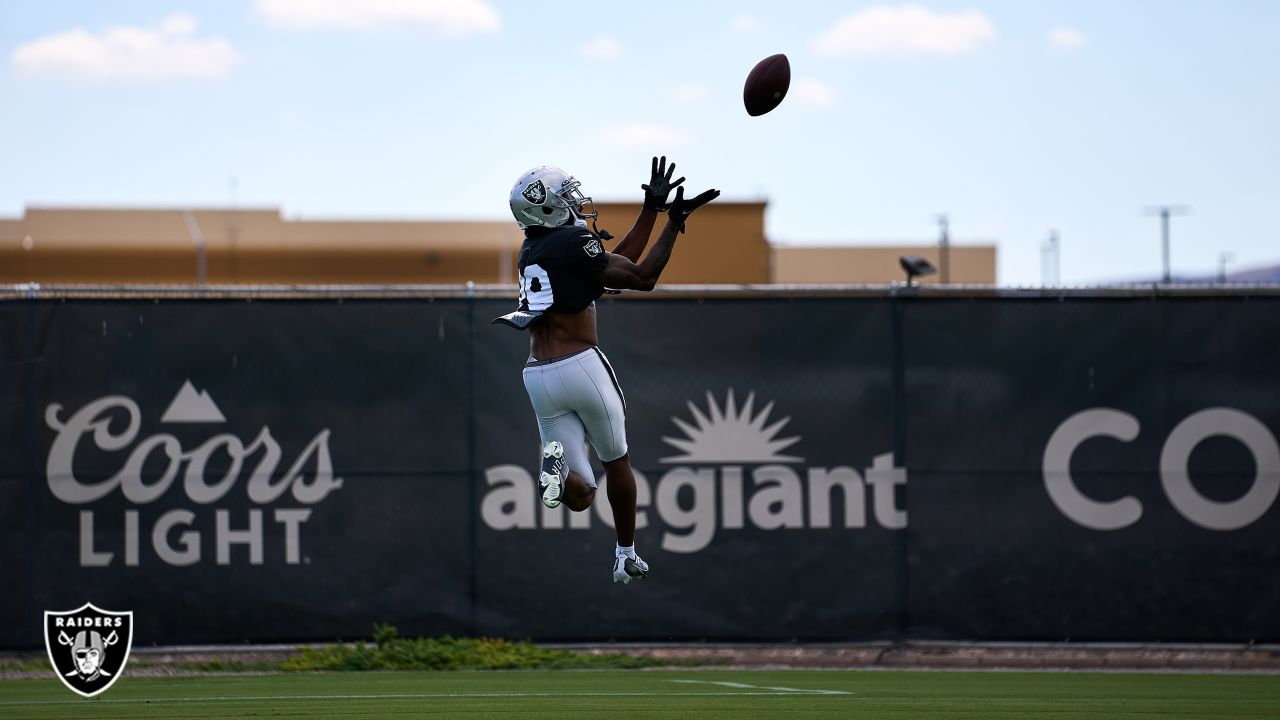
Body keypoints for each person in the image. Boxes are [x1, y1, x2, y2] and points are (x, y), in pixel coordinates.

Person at [494, 157, 719, 584]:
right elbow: (643, 275)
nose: (575, 201)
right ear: (547, 209)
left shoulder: (533, 251)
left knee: (581, 495)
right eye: (565, 197)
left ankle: (557, 468)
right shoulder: (572, 242)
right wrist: (674, 222)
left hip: (538, 375)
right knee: (617, 463)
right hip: (580, 367)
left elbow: (614, 264)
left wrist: (650, 209)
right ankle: (626, 554)